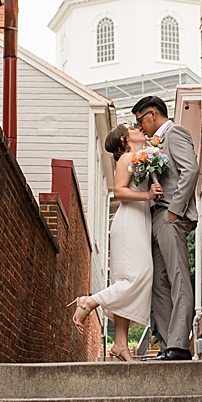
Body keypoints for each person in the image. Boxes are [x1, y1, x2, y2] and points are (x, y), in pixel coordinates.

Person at [72, 124, 162, 362]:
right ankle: (89, 301)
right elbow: (120, 193)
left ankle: (120, 344)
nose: (138, 128)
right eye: (132, 128)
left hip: (140, 220)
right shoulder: (126, 159)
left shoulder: (140, 158)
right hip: (129, 221)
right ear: (124, 138)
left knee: (127, 278)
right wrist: (148, 195)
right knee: (138, 276)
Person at [132, 95, 200, 361]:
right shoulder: (154, 143)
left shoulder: (175, 133)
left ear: (152, 114)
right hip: (157, 218)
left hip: (171, 216)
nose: (140, 128)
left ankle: (180, 344)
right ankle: (168, 345)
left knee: (178, 277)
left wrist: (175, 210)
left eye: (140, 121)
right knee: (158, 283)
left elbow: (190, 170)